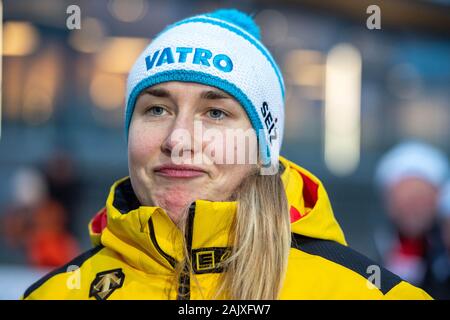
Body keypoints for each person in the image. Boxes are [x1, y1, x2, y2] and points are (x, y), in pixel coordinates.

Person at [23, 9, 431, 300]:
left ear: (262, 149)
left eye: (215, 112)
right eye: (156, 109)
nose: (178, 139)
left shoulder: (365, 293)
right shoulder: (55, 293)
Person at [374, 141, 449, 299]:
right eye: (403, 199)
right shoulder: (377, 249)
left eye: (419, 198)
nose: (412, 209)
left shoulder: (443, 257)